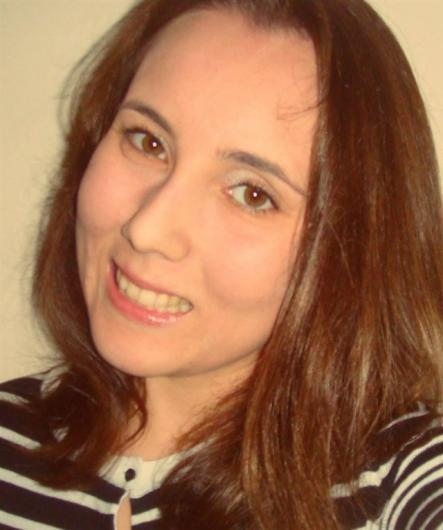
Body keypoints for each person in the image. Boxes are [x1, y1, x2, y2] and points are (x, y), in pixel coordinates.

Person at [0, 0, 442, 528]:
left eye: (252, 193)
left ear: (349, 252)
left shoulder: (400, 475)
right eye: (148, 141)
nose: (147, 228)